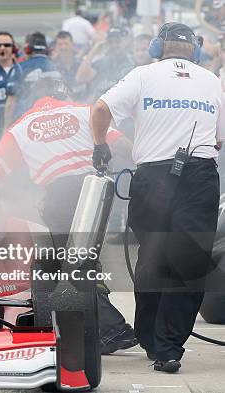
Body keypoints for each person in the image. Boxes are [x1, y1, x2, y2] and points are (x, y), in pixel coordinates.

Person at [0, 76, 137, 355]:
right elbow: (122, 146)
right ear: (63, 93)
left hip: (61, 196)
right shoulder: (85, 111)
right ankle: (76, 326)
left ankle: (112, 329)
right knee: (72, 262)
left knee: (72, 266)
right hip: (96, 193)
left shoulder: (19, 127)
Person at [91, 22, 224, 373]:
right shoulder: (211, 80)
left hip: (153, 178)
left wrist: (100, 145)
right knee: (190, 263)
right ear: (194, 49)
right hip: (198, 177)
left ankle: (150, 338)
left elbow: (100, 109)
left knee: (152, 258)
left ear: (156, 47)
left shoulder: (141, 74)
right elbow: (220, 140)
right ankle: (168, 347)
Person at [4, 32, 60, 124]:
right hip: (52, 121)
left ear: (27, 49)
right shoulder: (56, 67)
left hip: (26, 121)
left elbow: (11, 102)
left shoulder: (20, 68)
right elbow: (65, 96)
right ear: (46, 49)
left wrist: (6, 127)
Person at [76, 26, 135, 102]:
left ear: (124, 43)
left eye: (117, 41)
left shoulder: (132, 63)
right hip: (99, 108)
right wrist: (94, 50)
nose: (114, 45)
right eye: (110, 42)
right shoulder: (102, 62)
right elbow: (80, 78)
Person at [51, 31, 85, 100]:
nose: (63, 47)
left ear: (72, 45)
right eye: (60, 44)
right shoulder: (52, 68)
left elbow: (93, 88)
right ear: (56, 47)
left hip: (85, 106)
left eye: (66, 44)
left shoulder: (82, 65)